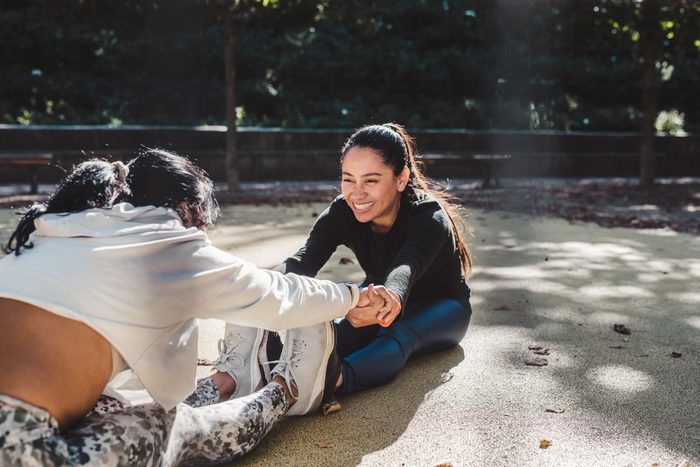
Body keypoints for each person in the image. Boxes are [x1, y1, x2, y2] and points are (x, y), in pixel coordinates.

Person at [0, 149, 392, 466]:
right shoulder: (168, 244)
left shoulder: (52, 230)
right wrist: (354, 297)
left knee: (117, 404)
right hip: (19, 450)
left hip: (27, 421)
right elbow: (276, 296)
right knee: (163, 424)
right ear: (184, 209)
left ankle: (228, 380)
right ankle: (287, 390)